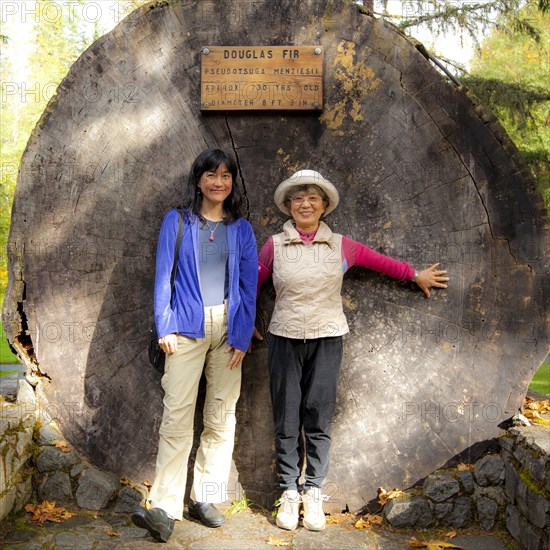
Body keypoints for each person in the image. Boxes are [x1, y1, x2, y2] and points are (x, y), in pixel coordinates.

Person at [256, 170, 449, 532]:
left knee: (318, 415)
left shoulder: (343, 246)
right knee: (286, 416)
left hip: (327, 338)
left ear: (324, 205)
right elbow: (251, 283)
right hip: (284, 337)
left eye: (313, 197)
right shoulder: (274, 245)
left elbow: (380, 262)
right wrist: (246, 320)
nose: (305, 203)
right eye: (298, 198)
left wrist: (413, 274)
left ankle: (313, 490)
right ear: (288, 206)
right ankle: (288, 492)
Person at [132, 149, 258, 542]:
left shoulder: (242, 230)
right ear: (199, 180)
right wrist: (163, 326)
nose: (218, 182)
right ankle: (165, 507)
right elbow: (162, 277)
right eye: (211, 175)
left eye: (225, 175)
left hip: (227, 327)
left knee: (221, 417)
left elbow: (248, 286)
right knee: (177, 417)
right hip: (185, 328)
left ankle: (206, 497)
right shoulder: (178, 221)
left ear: (232, 182)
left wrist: (241, 333)